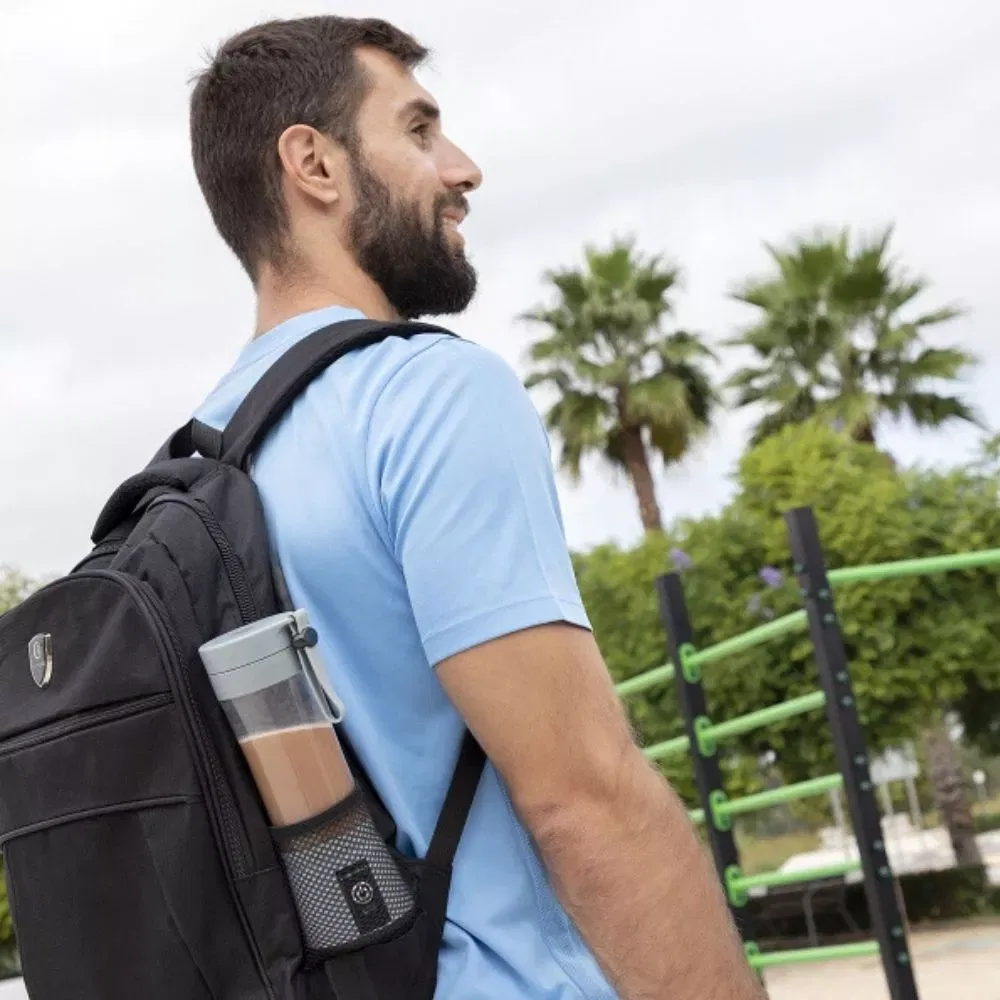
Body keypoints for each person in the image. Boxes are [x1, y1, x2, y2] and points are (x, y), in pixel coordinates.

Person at [187, 15, 761, 1000]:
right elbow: (584, 798)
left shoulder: (200, 462)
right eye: (418, 130)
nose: (462, 169)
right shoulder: (426, 395)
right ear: (314, 165)